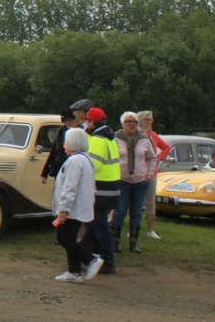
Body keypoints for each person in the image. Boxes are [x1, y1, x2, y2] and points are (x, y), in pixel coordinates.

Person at [52, 128, 103, 283]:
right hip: (79, 207)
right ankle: (74, 272)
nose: (64, 145)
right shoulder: (86, 160)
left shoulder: (74, 161)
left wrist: (63, 209)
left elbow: (70, 187)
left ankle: (90, 260)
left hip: (72, 209)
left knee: (64, 238)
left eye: (66, 141)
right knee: (70, 238)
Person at [80, 105, 120, 274]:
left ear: (91, 122)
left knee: (99, 225)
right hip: (111, 185)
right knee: (92, 225)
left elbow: (92, 165)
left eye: (87, 121)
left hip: (100, 187)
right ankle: (81, 254)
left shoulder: (97, 139)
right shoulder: (110, 137)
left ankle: (107, 260)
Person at [110, 111, 158, 255]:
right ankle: (115, 242)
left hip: (140, 181)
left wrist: (149, 175)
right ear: (122, 123)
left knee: (137, 211)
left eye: (134, 122)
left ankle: (133, 244)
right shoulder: (115, 139)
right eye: (128, 122)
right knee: (120, 211)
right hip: (122, 180)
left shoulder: (144, 140)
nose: (131, 124)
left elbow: (153, 158)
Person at [137, 110, 170, 240]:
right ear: (140, 120)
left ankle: (151, 230)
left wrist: (159, 158)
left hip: (152, 172)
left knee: (150, 202)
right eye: (146, 120)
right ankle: (133, 228)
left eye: (151, 120)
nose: (149, 122)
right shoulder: (136, 134)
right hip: (139, 172)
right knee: (136, 202)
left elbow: (166, 147)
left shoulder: (154, 135)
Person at [41, 107, 77, 184]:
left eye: (70, 120)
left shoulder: (80, 133)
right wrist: (45, 172)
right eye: (66, 120)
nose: (68, 122)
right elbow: (54, 151)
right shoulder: (61, 131)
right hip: (60, 166)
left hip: (73, 167)